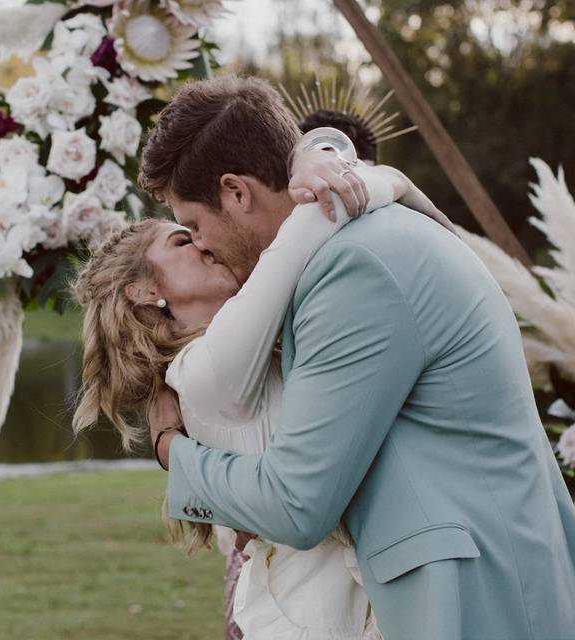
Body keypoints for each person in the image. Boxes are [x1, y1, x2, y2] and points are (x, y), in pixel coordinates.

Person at [139, 75, 575, 640]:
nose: (200, 245)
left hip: (478, 597)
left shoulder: (355, 268)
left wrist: (173, 451)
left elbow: (296, 504)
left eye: (194, 225)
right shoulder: (355, 239)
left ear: (237, 192)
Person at [72, 120, 448, 637]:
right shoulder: (201, 371)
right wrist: (384, 178)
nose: (202, 243)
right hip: (313, 608)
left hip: (344, 588)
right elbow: (306, 229)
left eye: (192, 229)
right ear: (142, 291)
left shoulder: (230, 353)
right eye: (182, 239)